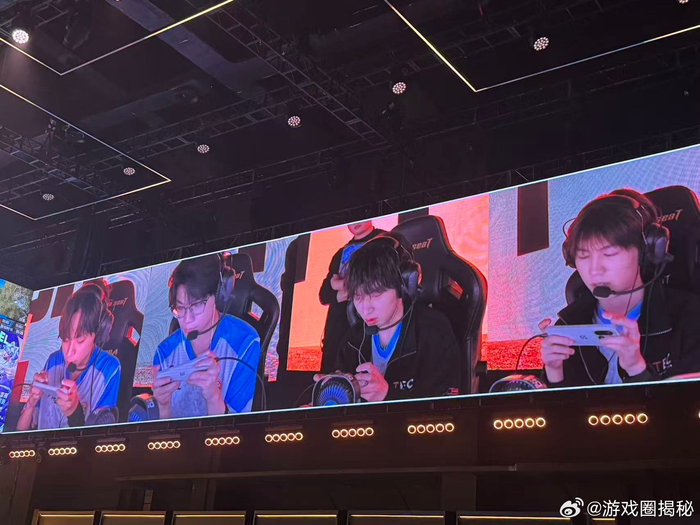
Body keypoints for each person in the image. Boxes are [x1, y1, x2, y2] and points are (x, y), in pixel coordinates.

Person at [539, 189, 700, 387]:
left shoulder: (690, 317)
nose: (594, 270)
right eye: (583, 256)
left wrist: (637, 369)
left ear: (645, 252)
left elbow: (687, 403)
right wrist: (554, 373)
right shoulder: (568, 325)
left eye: (609, 254)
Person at [319, 236, 461, 401]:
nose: (365, 308)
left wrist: (388, 395)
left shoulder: (434, 331)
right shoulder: (352, 340)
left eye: (376, 293)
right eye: (358, 296)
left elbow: (446, 408)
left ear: (403, 287)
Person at [152, 254, 261, 419]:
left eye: (196, 305)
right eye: (179, 308)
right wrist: (163, 406)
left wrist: (213, 397)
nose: (187, 319)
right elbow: (162, 430)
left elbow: (238, 428)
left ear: (218, 296)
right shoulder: (163, 353)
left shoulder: (245, 343)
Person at [16, 284, 121, 430]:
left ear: (97, 335)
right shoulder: (53, 361)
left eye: (80, 340)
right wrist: (31, 403)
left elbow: (100, 437)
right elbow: (19, 431)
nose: (69, 352)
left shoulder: (110, 368)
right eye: (65, 339)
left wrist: (75, 414)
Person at [318, 221, 387, 373]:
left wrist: (339, 285)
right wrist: (343, 288)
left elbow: (378, 281)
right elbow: (324, 295)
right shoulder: (341, 252)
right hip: (337, 331)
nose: (356, 222)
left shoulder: (386, 241)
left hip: (369, 329)